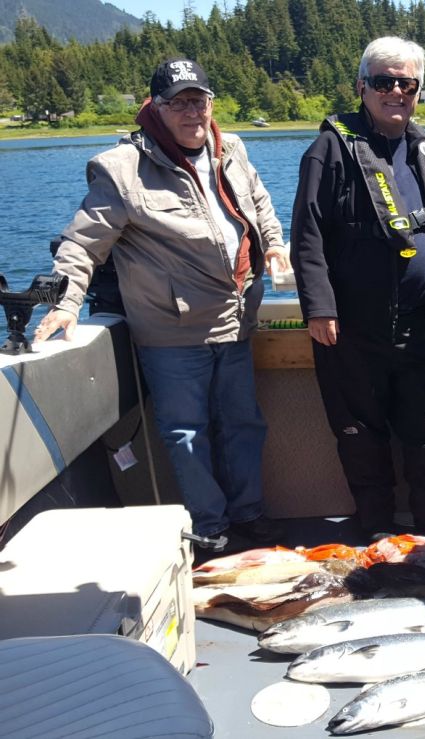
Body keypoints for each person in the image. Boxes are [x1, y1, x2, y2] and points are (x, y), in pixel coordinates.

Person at [34, 58, 290, 548]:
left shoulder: (229, 147)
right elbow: (83, 244)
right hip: (171, 335)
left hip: (236, 320)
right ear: (155, 105)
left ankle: (249, 517)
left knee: (243, 424)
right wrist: (65, 303)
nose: (192, 112)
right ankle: (211, 528)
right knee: (187, 434)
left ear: (211, 103)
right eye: (179, 102)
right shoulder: (120, 170)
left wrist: (274, 243)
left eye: (200, 100)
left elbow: (258, 203)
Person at [290, 36, 425, 542]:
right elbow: (308, 235)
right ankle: (377, 539)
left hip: (414, 323)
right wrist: (319, 309)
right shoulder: (330, 149)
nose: (397, 92)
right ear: (362, 87)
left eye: (408, 84)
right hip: (349, 329)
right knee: (361, 439)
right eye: (385, 82)